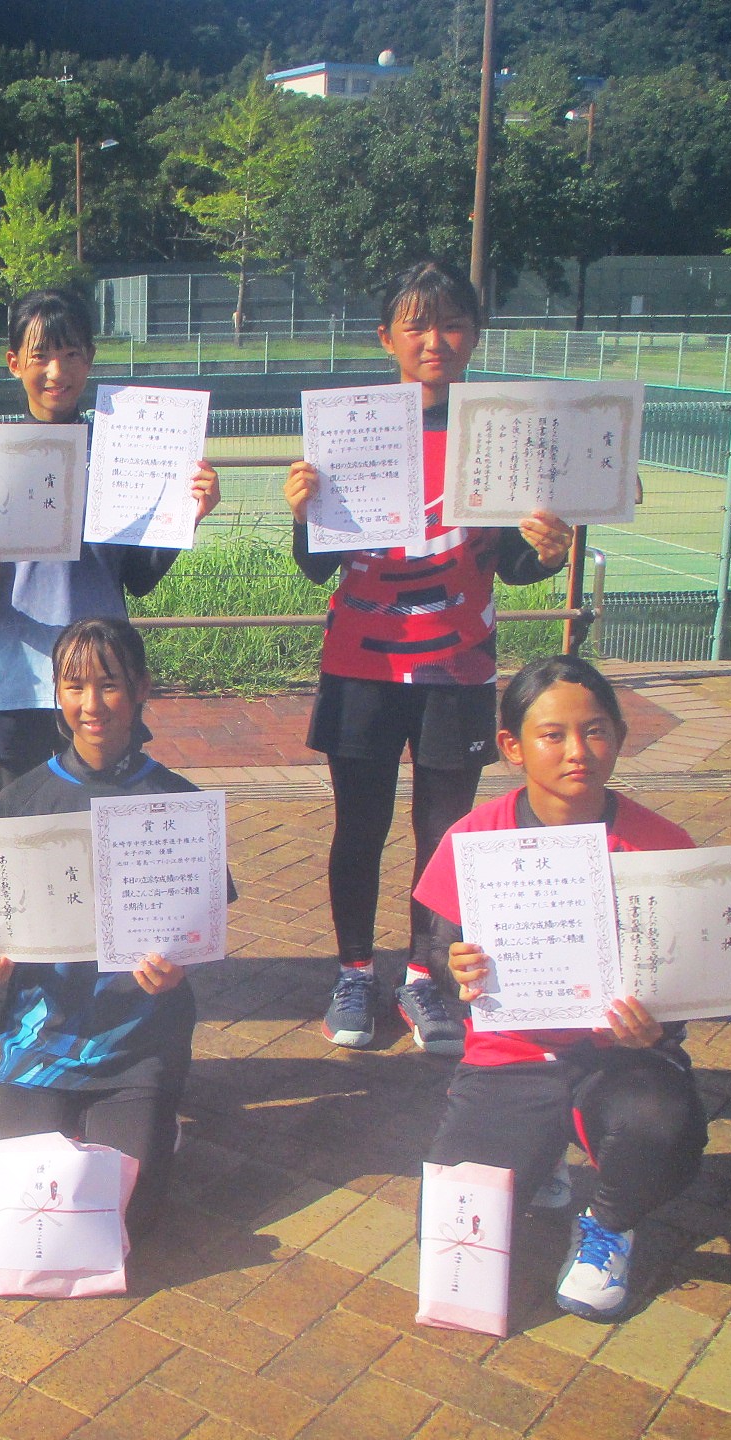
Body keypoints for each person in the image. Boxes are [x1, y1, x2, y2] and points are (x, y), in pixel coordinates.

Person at [283, 261, 574, 1054]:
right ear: (387, 338)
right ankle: (354, 972)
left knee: (445, 834)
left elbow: (513, 563)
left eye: (451, 324)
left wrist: (548, 551)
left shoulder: (499, 431)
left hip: (459, 667)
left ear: (474, 336)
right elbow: (314, 566)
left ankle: (422, 977)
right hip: (362, 664)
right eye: (416, 325)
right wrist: (305, 513)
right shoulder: (352, 430)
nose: (434, 340)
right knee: (360, 826)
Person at [417, 654, 708, 1322]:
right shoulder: (475, 838)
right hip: (511, 1055)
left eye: (595, 730)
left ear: (619, 738)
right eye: (553, 735)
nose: (578, 751)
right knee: (451, 1246)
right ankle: (539, 1154)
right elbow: (438, 957)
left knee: (662, 1129)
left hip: (620, 1056)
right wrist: (457, 971)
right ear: (513, 747)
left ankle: (608, 1224)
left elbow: (681, 990)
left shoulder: (662, 845)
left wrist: (659, 1025)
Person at [0, 617, 235, 1238]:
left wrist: (179, 966)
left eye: (109, 685)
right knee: (8, 1208)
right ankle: (73, 1118)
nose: (92, 705)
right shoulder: (25, 798)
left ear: (141, 689)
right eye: (74, 686)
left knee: (120, 1218)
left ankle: (155, 1121)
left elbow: (203, 924)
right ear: (56, 693)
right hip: (43, 1038)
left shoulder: (177, 801)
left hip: (138, 1042)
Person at [0, 289, 221, 794]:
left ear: (90, 359)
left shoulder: (123, 452)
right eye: (41, 356)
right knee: (23, 829)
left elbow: (137, 579)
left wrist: (186, 517)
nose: (57, 371)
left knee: (106, 827)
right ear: (14, 363)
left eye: (71, 353)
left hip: (102, 683)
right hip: (17, 682)